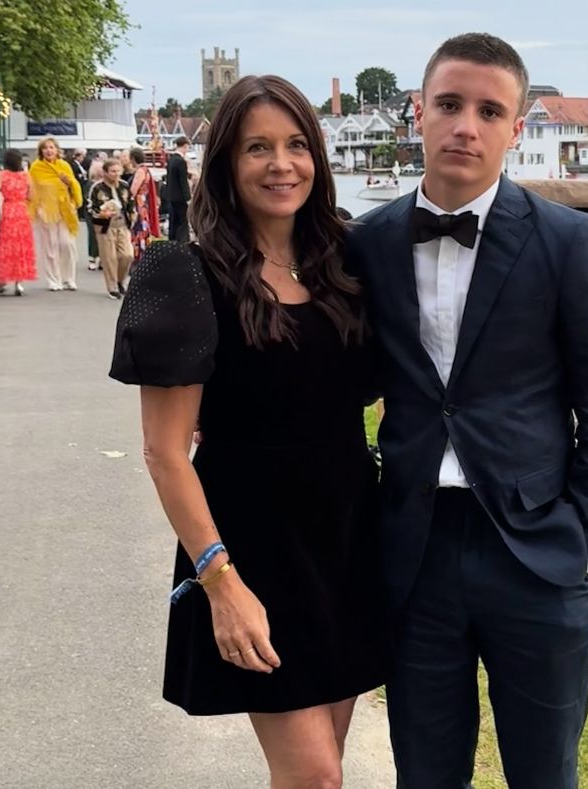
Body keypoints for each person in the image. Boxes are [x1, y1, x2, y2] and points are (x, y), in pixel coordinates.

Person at [348, 33, 588, 789]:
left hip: (536, 552)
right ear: (418, 113)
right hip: (415, 552)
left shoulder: (570, 242)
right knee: (426, 771)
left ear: (516, 128)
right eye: (448, 104)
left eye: (488, 110)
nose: (464, 126)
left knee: (545, 774)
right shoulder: (367, 244)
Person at [109, 74, 388, 787]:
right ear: (226, 164)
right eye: (257, 147)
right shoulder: (184, 274)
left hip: (348, 541)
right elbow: (165, 452)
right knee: (316, 776)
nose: (281, 163)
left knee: (319, 767)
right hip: (255, 550)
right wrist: (220, 583)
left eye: (297, 145)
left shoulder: (344, 264)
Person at [29, 137, 83, 291]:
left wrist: (69, 182)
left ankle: (69, 279)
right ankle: (54, 280)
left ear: (57, 150)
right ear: (41, 151)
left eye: (51, 147)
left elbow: (74, 185)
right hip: (46, 211)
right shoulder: (36, 168)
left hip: (65, 210)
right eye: (45, 148)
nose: (49, 150)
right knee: (50, 247)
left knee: (67, 244)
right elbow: (33, 189)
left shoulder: (64, 165)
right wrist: (36, 207)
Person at [0, 148, 37, 296]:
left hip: (6, 212)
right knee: (21, 246)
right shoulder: (26, 176)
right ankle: (19, 282)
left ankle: (1, 281)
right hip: (21, 211)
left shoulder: (0, 175)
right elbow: (32, 196)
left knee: (4, 245)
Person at [87, 158, 134, 299]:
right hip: (105, 225)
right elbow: (90, 207)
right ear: (105, 172)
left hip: (123, 224)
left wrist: (132, 213)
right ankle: (112, 286)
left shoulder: (124, 186)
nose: (116, 174)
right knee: (110, 257)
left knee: (127, 255)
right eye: (113, 171)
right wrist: (100, 214)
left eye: (118, 171)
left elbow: (130, 203)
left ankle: (120, 280)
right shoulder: (97, 188)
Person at [128, 146, 160, 263]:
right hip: (143, 203)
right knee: (142, 227)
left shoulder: (140, 171)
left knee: (138, 228)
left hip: (138, 203)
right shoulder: (146, 170)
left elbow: (133, 190)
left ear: (132, 158)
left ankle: (138, 254)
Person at [166, 135, 191, 241]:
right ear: (185, 146)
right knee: (183, 221)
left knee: (174, 220)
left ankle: (173, 240)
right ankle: (183, 241)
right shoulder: (181, 162)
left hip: (171, 195)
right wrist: (188, 197)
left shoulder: (171, 160)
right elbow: (183, 181)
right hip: (181, 196)